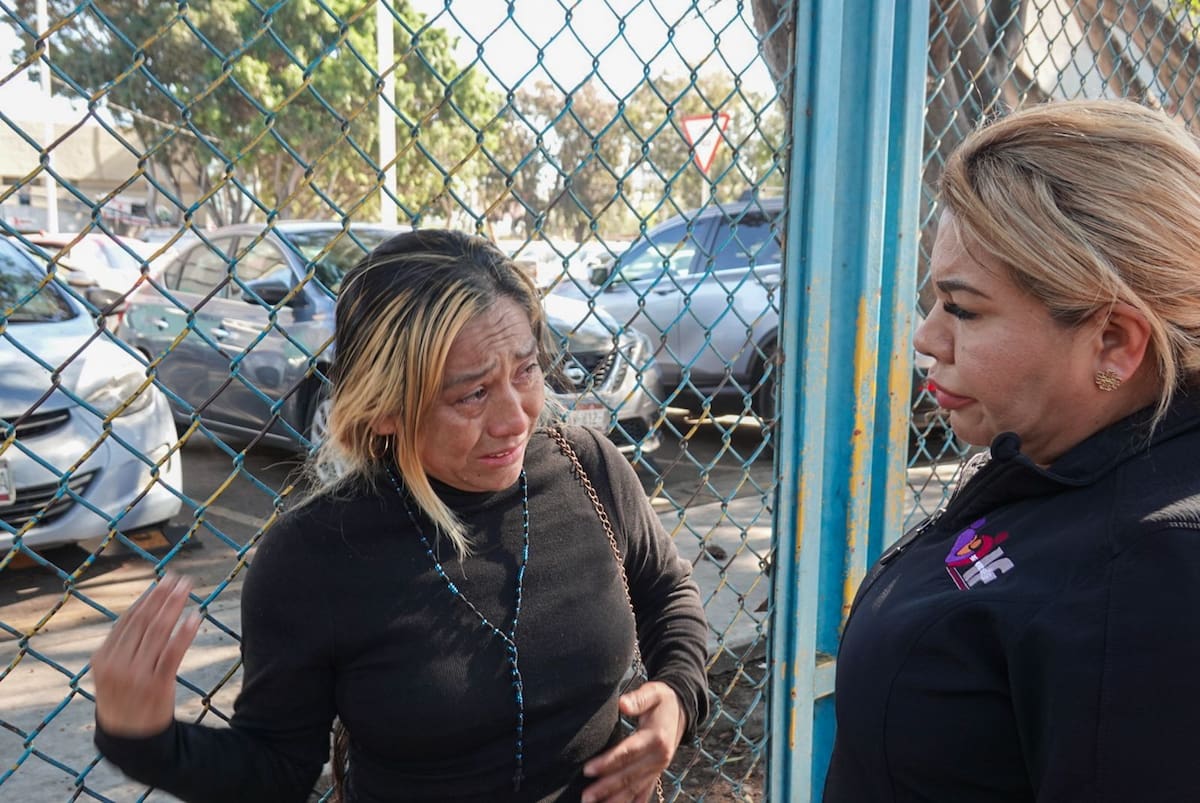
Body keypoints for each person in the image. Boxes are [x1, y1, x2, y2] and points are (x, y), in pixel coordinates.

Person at [90, 229, 709, 802]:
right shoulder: (314, 557)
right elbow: (275, 767)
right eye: (471, 394)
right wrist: (146, 742)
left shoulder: (588, 469)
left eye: (525, 371)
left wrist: (678, 696)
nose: (517, 417)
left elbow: (667, 590)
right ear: (386, 407)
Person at [824, 98, 1200, 802]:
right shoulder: (1077, 462)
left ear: (1114, 341)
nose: (927, 337)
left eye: (963, 308)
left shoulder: (1155, 573)